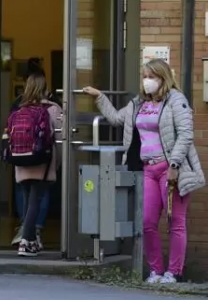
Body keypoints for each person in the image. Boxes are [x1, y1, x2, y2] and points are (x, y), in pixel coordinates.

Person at [83, 58, 205, 283]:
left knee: (175, 221)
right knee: (147, 222)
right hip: (148, 169)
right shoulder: (139, 103)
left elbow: (186, 135)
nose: (147, 81)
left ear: (163, 78)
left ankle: (174, 272)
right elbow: (116, 119)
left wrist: (175, 165)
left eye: (152, 77)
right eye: (145, 76)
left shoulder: (176, 101)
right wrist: (99, 97)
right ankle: (156, 271)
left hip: (170, 169)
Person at [9, 58, 60, 248]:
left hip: (21, 161)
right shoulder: (53, 108)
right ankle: (29, 238)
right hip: (43, 162)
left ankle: (25, 231)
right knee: (38, 199)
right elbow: (61, 140)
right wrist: (57, 164)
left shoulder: (18, 107)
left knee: (25, 197)